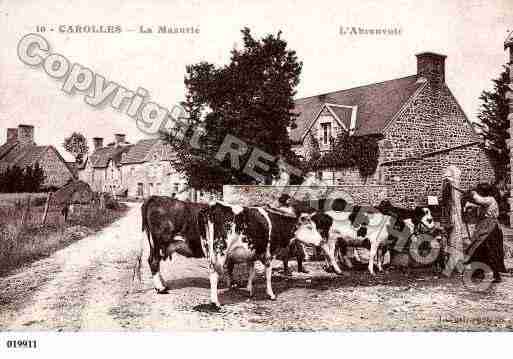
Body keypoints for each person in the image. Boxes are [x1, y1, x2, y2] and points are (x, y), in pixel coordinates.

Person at [463, 183, 506, 283]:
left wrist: (472, 193)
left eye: (479, 192)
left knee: (491, 252)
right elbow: (477, 204)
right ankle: (478, 271)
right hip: (484, 228)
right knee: (477, 249)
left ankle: (496, 275)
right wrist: (469, 204)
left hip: (490, 229)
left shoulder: (490, 199)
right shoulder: (485, 202)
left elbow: (479, 200)